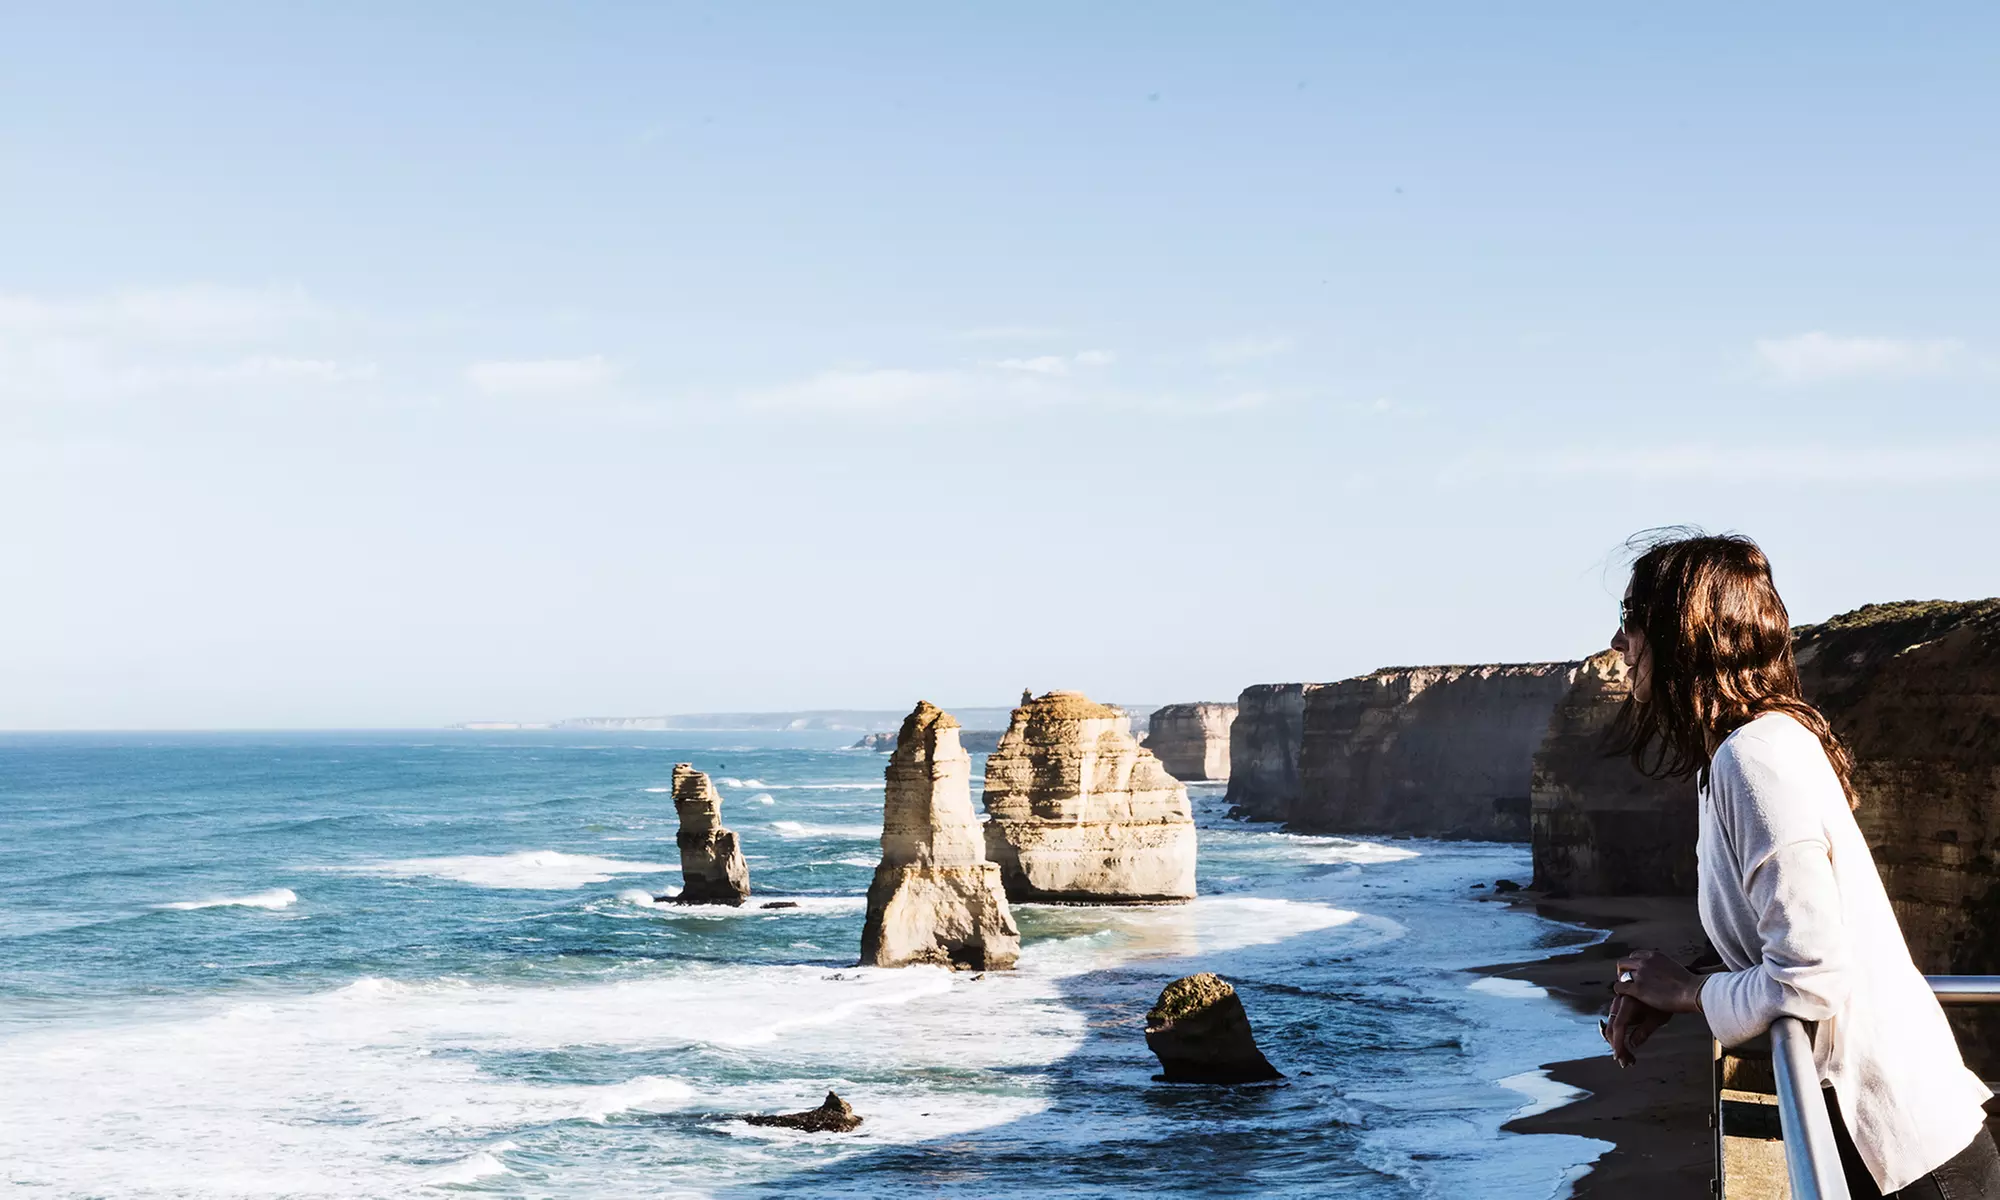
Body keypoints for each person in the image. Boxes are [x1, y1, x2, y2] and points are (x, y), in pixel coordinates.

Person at [1599, 530, 1998, 1199]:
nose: (1618, 643)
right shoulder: (1746, 749)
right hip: (1892, 1142)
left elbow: (1812, 977)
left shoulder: (1755, 759)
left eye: (1629, 621)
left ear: (1682, 633)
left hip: (1906, 1158)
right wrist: (1686, 983)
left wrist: (1692, 994)